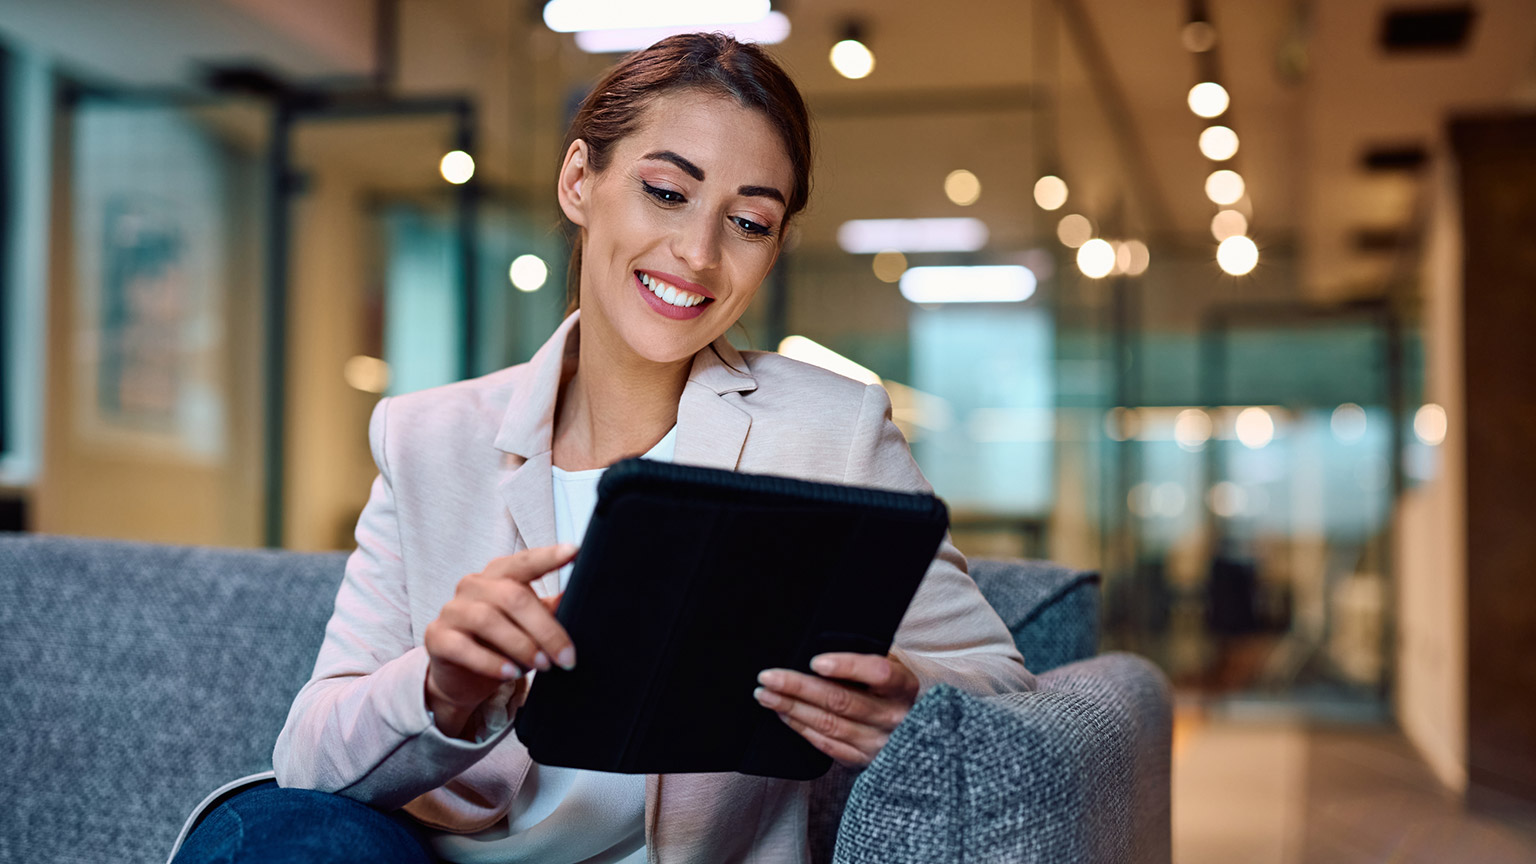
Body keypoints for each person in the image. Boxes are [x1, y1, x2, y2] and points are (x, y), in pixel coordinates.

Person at [174, 32, 1034, 864]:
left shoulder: (828, 429)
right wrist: (441, 685)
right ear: (580, 180)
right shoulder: (429, 436)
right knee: (270, 830)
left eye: (748, 223)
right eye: (667, 193)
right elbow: (310, 761)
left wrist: (907, 698)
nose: (697, 255)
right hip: (437, 854)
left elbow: (1000, 679)